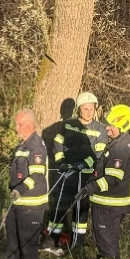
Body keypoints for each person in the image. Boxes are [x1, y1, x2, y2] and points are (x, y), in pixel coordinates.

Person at [75, 104, 130, 259]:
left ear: (123, 125)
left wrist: (89, 189)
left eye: (111, 125)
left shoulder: (120, 148)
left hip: (110, 202)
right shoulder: (127, 140)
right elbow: (103, 161)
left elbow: (111, 178)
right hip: (117, 202)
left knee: (105, 239)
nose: (107, 128)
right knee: (109, 237)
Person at [45, 91, 108, 249]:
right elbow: (58, 143)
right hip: (66, 173)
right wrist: (61, 162)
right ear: (79, 109)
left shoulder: (100, 129)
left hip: (85, 176)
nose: (89, 112)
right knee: (60, 204)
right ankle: (52, 238)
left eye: (91, 109)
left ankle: (77, 244)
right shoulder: (68, 124)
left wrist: (83, 164)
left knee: (81, 209)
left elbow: (98, 154)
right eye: (85, 109)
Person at [4, 109, 49, 259]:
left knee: (28, 246)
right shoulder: (22, 145)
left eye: (19, 124)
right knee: (12, 242)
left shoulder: (36, 146)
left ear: (30, 125)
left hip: (31, 206)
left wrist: (20, 190)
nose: (16, 128)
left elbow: (37, 176)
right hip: (17, 203)